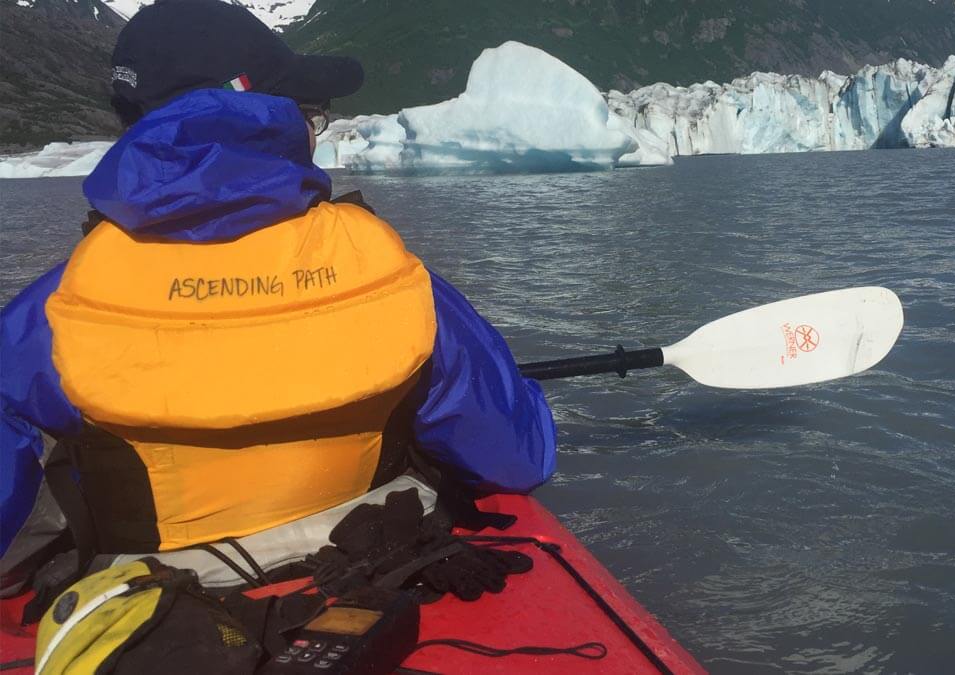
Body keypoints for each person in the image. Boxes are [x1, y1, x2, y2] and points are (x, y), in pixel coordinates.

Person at [0, 0, 556, 585]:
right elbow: (519, 457)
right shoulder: (395, 277)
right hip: (365, 571)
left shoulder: (49, 315)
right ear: (278, 122)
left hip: (147, 603)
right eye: (310, 114)